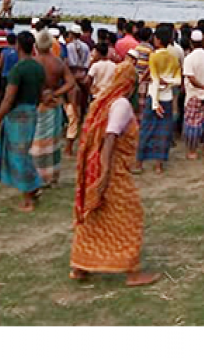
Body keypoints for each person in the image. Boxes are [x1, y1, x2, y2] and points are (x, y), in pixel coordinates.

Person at [69, 61, 161, 287]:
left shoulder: (103, 101)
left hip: (103, 168)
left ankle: (81, 265)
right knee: (130, 216)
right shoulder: (121, 105)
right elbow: (110, 139)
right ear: (131, 84)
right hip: (113, 171)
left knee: (94, 216)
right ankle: (132, 272)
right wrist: (105, 174)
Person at [0, 31, 46, 212]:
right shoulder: (38, 67)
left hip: (18, 115)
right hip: (32, 111)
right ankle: (34, 185)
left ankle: (28, 199)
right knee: (24, 153)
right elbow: (42, 93)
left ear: (18, 46)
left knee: (19, 155)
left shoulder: (18, 70)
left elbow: (8, 99)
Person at [30, 29, 76, 187]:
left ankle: (38, 175)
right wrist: (56, 92)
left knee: (37, 142)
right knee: (53, 141)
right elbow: (71, 82)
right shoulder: (57, 62)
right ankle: (52, 176)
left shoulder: (33, 63)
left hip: (38, 104)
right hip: (53, 104)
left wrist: (41, 94)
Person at [135, 26, 181, 174]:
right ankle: (159, 165)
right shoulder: (173, 57)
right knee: (164, 131)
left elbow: (154, 80)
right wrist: (168, 82)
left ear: (158, 40)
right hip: (167, 97)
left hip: (155, 97)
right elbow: (178, 80)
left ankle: (139, 163)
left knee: (147, 129)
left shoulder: (154, 56)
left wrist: (155, 103)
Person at [182, 30, 204, 160]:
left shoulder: (189, 58)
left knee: (192, 124)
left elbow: (190, 78)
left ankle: (193, 150)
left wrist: (202, 86)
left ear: (191, 43)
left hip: (193, 95)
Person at [65, 24, 91, 156]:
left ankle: (72, 123)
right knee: (84, 100)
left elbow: (69, 63)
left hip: (72, 73)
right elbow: (87, 62)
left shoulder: (69, 46)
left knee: (71, 101)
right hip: (83, 73)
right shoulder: (85, 47)